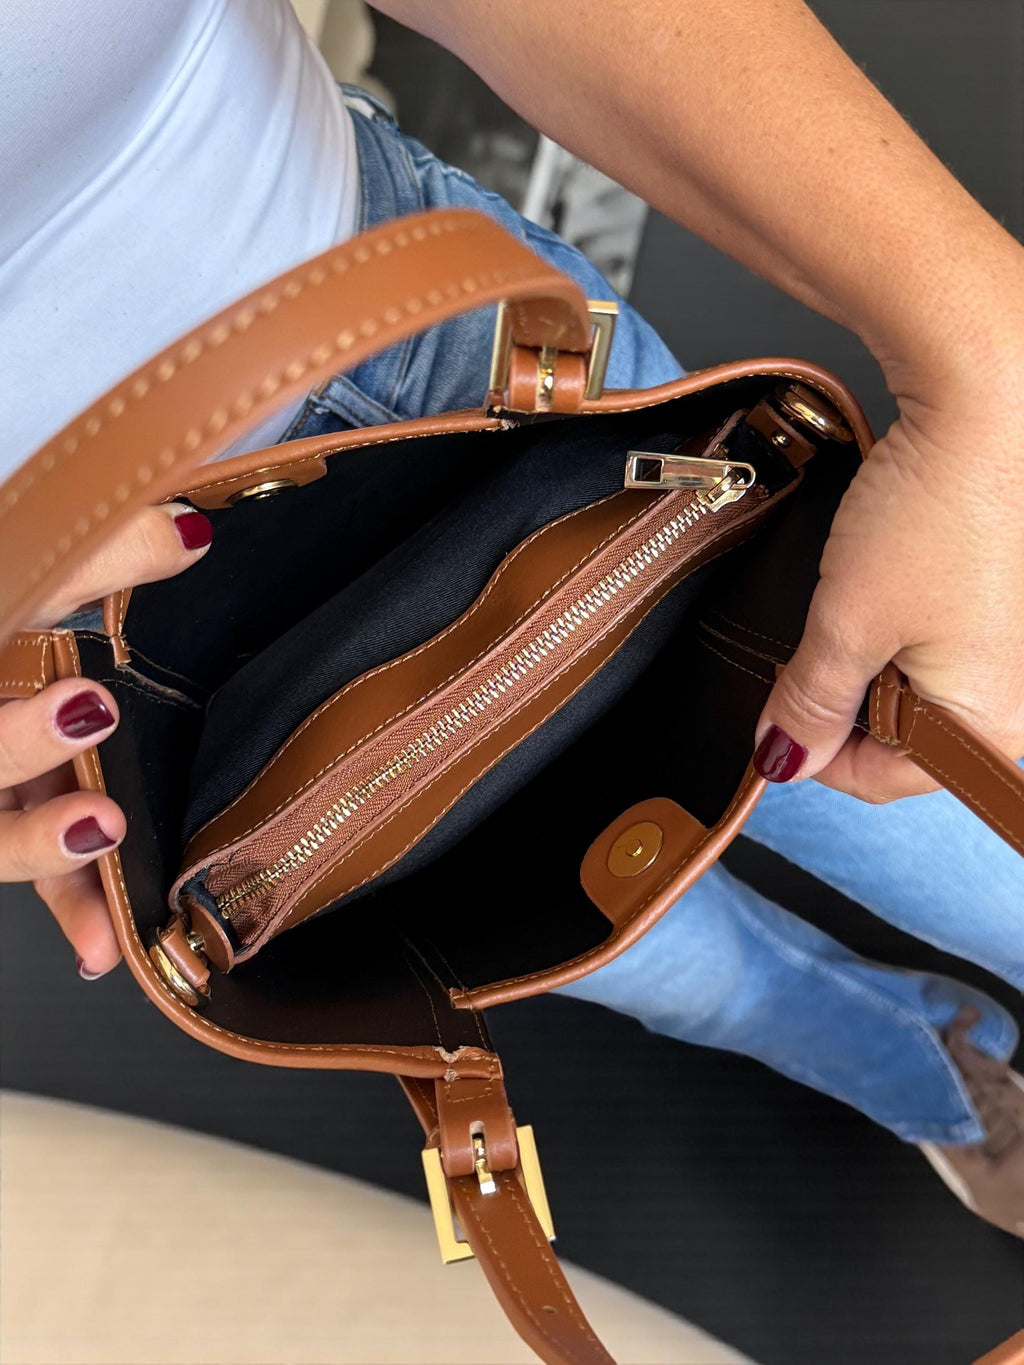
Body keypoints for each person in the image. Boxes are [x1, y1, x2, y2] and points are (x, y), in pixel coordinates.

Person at [1, 0, 1021, 1237]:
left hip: (435, 364)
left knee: (972, 846)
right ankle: (936, 1074)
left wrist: (985, 351)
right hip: (123, 689)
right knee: (643, 949)